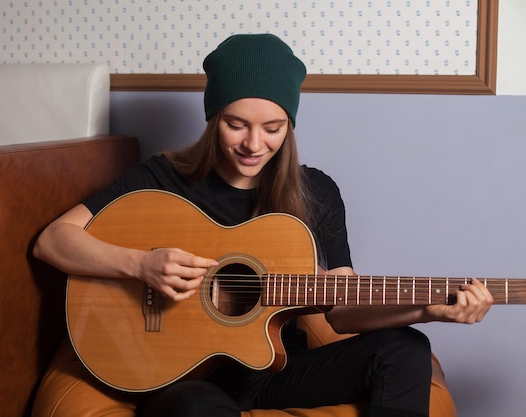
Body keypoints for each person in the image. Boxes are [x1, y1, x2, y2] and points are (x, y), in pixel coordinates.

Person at [32, 34, 493, 417]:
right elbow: (54, 241)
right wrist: (142, 265)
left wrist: (429, 308)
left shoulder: (317, 192)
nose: (255, 144)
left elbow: (343, 308)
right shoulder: (162, 178)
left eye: (273, 128)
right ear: (214, 119)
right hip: (185, 375)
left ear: (289, 125)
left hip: (277, 370)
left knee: (406, 348)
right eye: (237, 124)